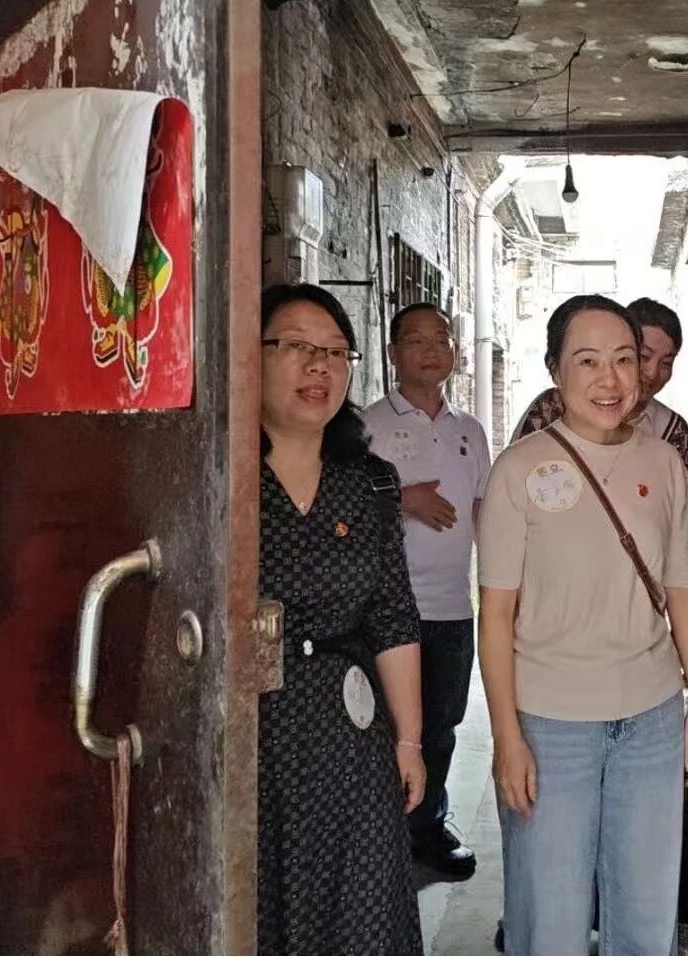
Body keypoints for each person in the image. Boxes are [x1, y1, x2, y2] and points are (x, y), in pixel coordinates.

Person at [477, 294, 688, 955]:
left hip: (651, 719)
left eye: (624, 360)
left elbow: (684, 589)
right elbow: (495, 617)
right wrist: (507, 737)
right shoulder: (517, 470)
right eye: (587, 361)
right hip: (550, 724)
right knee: (549, 913)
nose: (609, 379)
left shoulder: (665, 464)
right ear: (555, 370)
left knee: (645, 909)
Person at [256, 283, 424, 955]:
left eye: (334, 352)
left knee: (360, 911)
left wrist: (408, 741)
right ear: (250, 355)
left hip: (349, 734)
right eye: (296, 346)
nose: (318, 366)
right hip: (251, 729)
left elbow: (393, 616)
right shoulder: (221, 473)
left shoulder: (369, 480)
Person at [363, 302, 490, 881]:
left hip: (452, 607)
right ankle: (378, 836)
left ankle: (427, 828)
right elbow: (340, 506)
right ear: (393, 354)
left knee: (441, 725)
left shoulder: (469, 430)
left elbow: (484, 512)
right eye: (416, 340)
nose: (432, 350)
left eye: (442, 338)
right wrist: (401, 497)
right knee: (385, 727)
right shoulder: (367, 426)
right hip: (385, 610)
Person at [510, 297, 688, 484]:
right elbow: (517, 480)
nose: (652, 373)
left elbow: (684, 500)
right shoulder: (549, 408)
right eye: (643, 356)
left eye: (666, 363)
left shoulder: (674, 432)